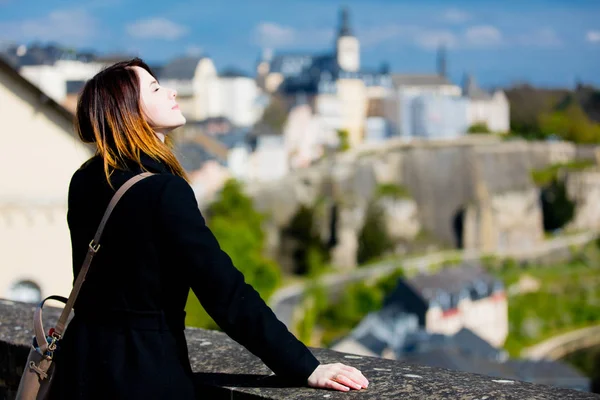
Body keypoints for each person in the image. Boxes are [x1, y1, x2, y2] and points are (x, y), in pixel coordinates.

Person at [48, 58, 369, 399]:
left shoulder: (84, 180)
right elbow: (224, 292)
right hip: (145, 376)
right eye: (156, 88)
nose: (172, 92)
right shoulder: (163, 191)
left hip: (79, 371)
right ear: (129, 111)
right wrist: (305, 366)